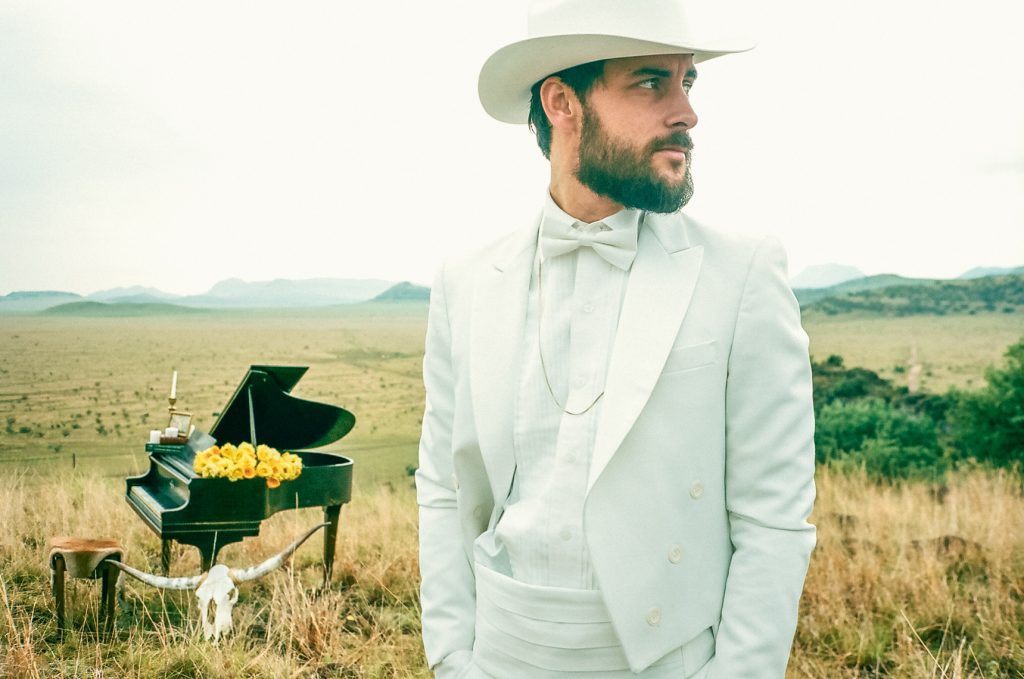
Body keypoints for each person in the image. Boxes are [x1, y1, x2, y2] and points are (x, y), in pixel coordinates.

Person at [416, 0, 816, 676]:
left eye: (686, 82)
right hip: (499, 656)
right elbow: (447, 489)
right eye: (650, 82)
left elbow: (773, 515)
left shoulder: (741, 271)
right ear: (562, 101)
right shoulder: (466, 279)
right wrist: (453, 656)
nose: (685, 112)